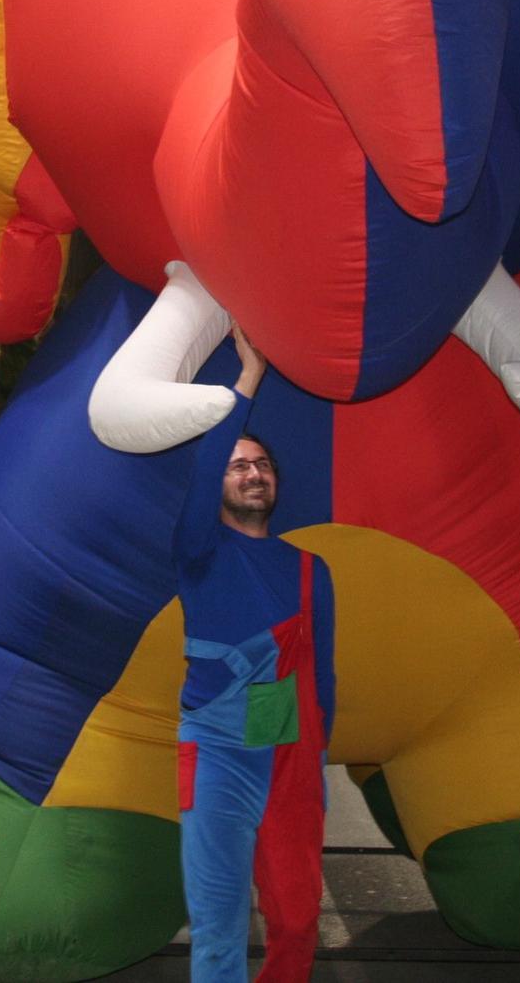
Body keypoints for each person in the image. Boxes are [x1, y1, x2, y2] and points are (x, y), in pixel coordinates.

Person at [173, 329, 334, 983]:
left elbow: (323, 677)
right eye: (238, 464)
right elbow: (202, 473)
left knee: (296, 920)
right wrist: (249, 377)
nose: (252, 471)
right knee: (218, 927)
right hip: (213, 744)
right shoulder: (199, 551)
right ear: (219, 483)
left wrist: (316, 764)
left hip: (284, 743)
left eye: (261, 464)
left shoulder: (309, 566)